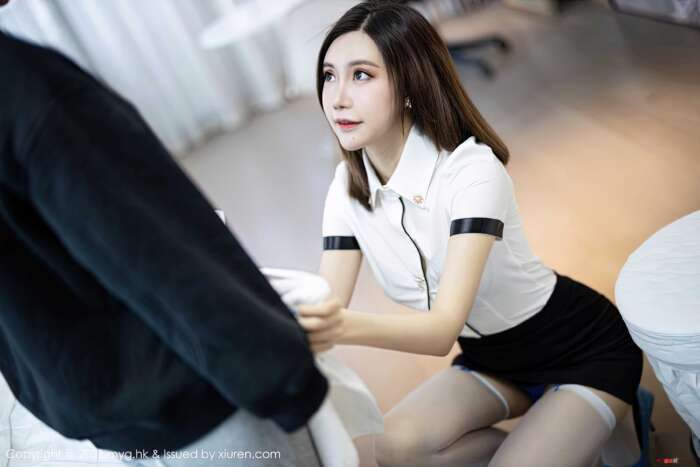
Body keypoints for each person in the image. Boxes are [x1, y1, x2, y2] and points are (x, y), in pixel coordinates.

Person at [295, 2, 654, 466]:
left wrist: (338, 326)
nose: (337, 97)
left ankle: (603, 417)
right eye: (329, 76)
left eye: (361, 75)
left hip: (581, 349)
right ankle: (560, 438)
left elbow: (441, 329)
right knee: (393, 448)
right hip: (491, 360)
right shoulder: (347, 188)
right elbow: (325, 303)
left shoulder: (471, 171)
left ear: (409, 83)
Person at [0, 14, 328, 467]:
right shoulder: (26, 91)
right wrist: (286, 382)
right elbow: (149, 254)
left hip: (103, 410)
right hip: (200, 401)